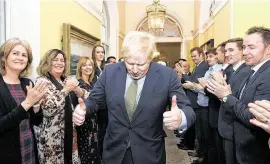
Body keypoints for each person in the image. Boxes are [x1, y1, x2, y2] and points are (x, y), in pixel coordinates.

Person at [73, 31, 196, 164]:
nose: (135, 70)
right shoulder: (110, 72)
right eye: (130, 63)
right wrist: (83, 109)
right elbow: (95, 100)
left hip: (149, 153)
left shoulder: (167, 76)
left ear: (150, 58)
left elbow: (188, 110)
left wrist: (181, 118)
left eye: (141, 64)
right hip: (115, 153)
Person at [206, 26, 270, 164]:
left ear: (268, 49)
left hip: (252, 150)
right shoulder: (253, 71)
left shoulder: (267, 74)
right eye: (244, 47)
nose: (245, 52)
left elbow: (255, 118)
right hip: (242, 144)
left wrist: (226, 96)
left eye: (251, 47)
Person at [0, 38, 47, 163]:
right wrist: (27, 103)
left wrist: (36, 105)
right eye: (15, 53)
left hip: (29, 148)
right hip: (7, 154)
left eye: (24, 55)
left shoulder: (27, 83)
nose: (20, 58)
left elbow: (36, 121)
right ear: (4, 57)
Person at [34, 49, 84, 164]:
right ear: (47, 62)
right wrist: (66, 89)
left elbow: (85, 94)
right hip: (51, 141)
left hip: (69, 135)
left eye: (62, 60)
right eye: (55, 59)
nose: (60, 63)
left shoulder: (65, 80)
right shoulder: (42, 82)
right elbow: (49, 109)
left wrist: (78, 91)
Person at [75, 56, 101, 164]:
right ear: (80, 68)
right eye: (84, 65)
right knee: (86, 154)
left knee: (95, 153)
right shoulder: (77, 84)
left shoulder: (94, 84)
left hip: (95, 123)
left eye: (90, 65)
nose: (87, 67)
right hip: (84, 124)